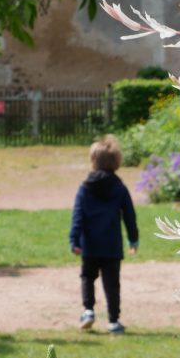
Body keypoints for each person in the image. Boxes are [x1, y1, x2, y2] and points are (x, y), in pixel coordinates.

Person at [69, 135, 139, 334]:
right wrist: (133, 238)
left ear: (93, 161)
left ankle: (88, 311)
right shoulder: (119, 188)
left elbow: (78, 215)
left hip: (89, 244)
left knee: (87, 277)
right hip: (111, 245)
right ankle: (114, 321)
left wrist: (74, 240)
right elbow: (129, 215)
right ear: (116, 162)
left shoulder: (85, 188)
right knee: (112, 284)